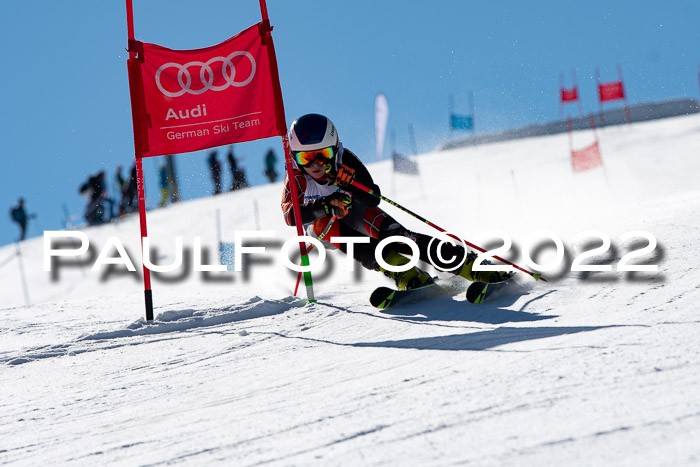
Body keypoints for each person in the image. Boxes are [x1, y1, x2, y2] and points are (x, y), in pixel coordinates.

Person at [281, 113, 510, 290]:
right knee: (324, 226)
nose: (316, 164)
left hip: (355, 211)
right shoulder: (296, 176)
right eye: (306, 157)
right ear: (294, 157)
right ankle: (402, 271)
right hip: (323, 229)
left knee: (397, 236)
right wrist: (327, 205)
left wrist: (350, 184)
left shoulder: (345, 159)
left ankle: (468, 264)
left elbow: (373, 198)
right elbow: (290, 216)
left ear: (335, 148)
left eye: (323, 155)